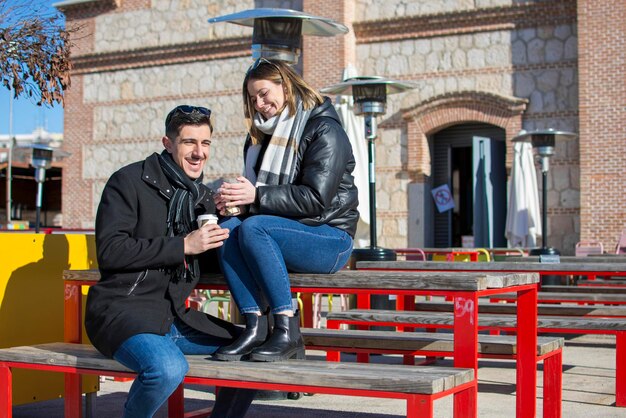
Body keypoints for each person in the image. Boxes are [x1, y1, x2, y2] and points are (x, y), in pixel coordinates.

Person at [85, 105, 255, 417]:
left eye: (205, 144)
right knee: (167, 367)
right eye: (189, 142)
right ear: (168, 143)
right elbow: (110, 250)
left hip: (173, 317)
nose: (198, 153)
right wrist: (183, 245)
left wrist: (233, 224)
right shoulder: (128, 181)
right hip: (122, 312)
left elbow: (205, 260)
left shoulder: (203, 198)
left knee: (251, 350)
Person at [213, 58, 359, 362]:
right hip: (282, 233)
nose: (260, 104)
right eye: (253, 99)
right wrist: (233, 202)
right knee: (227, 230)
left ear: (286, 84)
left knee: (255, 227)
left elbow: (315, 199)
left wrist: (254, 197)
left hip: (330, 237)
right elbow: (257, 198)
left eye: (265, 93)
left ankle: (286, 328)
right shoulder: (259, 138)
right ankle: (254, 325)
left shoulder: (325, 131)